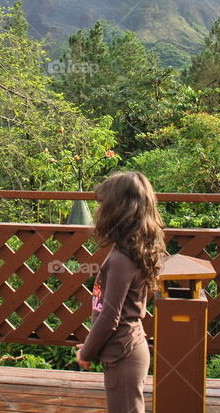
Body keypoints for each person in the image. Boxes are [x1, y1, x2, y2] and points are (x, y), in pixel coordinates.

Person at [76, 171, 166, 413]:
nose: (100, 210)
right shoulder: (133, 251)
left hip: (123, 354)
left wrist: (86, 351)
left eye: (104, 204)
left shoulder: (121, 259)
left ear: (119, 209)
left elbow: (109, 317)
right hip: (127, 349)